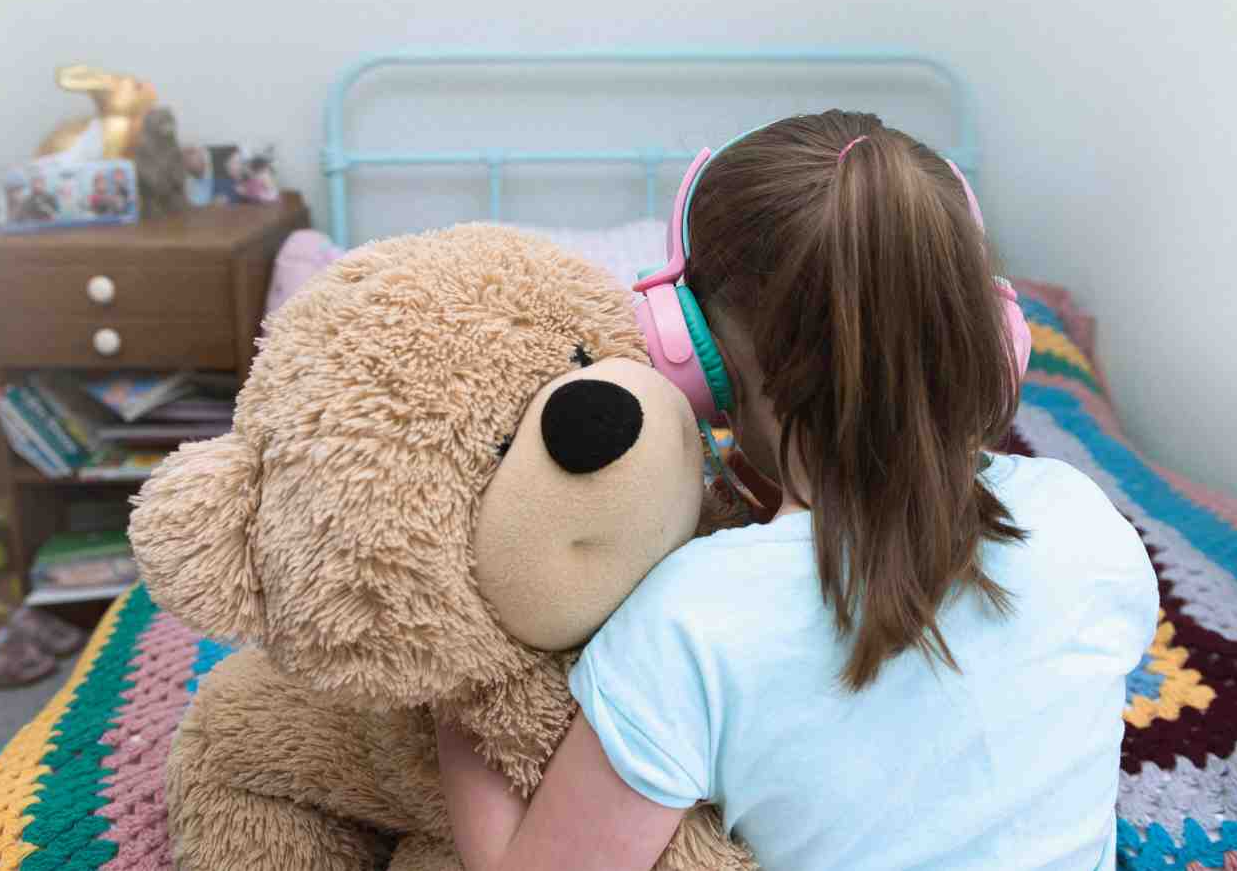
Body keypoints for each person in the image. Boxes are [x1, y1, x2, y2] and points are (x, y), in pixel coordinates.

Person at [436, 111, 1159, 871]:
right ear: (994, 331)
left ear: (697, 361)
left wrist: (464, 690)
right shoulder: (1088, 522)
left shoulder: (688, 623)